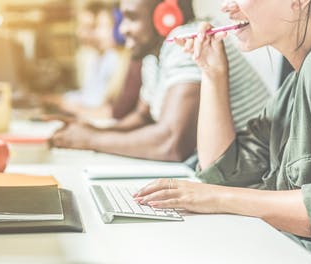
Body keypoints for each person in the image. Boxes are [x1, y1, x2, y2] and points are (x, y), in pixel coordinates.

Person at [134, 0, 311, 262]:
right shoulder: (298, 80)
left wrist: (216, 198)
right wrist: (212, 73)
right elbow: (222, 171)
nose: (227, 6)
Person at [51, 0, 269, 162]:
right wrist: (90, 131)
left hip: (252, 170)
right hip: (227, 169)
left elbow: (171, 143)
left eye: (132, 18)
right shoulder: (155, 53)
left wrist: (90, 140)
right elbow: (143, 117)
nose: (122, 29)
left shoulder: (190, 40)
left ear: (167, 15)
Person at [47, 1, 131, 119]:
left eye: (94, 26)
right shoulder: (93, 57)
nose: (80, 32)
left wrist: (69, 105)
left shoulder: (117, 59)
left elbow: (101, 106)